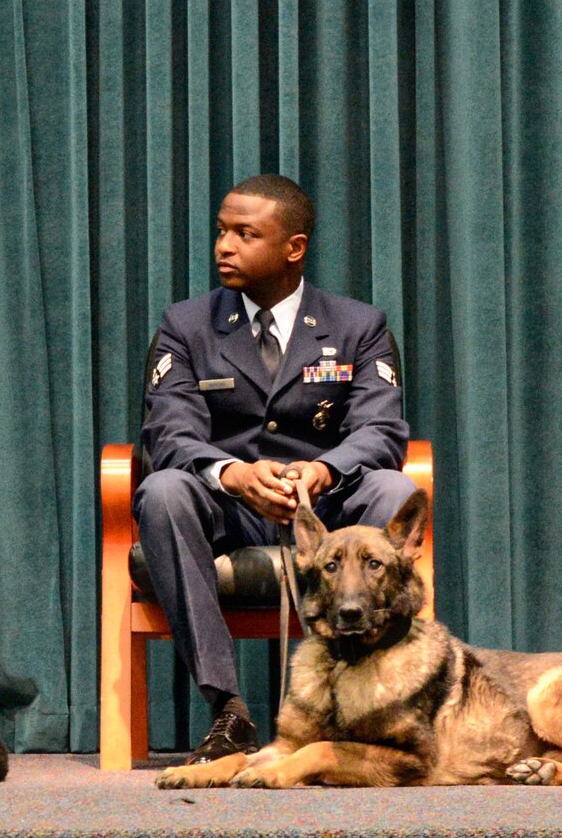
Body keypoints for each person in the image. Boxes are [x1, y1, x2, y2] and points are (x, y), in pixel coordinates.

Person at [136, 173, 416, 765]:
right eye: (221, 232)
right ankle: (228, 710)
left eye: (245, 234)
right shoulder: (186, 325)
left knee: (394, 487)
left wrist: (324, 471)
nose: (224, 246)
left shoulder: (357, 325)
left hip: (328, 513)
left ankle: (367, 703)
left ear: (294, 247)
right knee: (162, 492)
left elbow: (381, 429)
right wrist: (233, 475)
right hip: (229, 510)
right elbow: (169, 431)